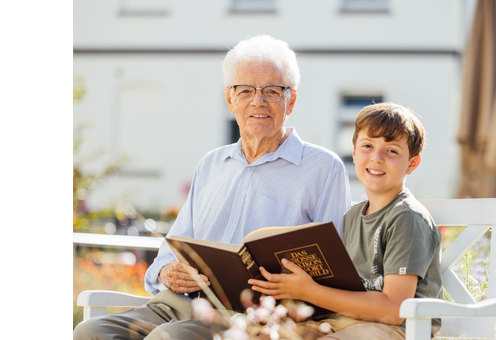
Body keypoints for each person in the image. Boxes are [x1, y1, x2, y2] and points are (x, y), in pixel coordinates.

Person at [74, 35, 351, 340]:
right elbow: (172, 248)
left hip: (250, 315)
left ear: (291, 100)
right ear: (230, 99)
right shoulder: (211, 164)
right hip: (177, 305)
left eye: (272, 91)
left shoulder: (323, 168)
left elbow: (334, 273)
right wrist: (169, 273)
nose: (258, 101)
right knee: (90, 331)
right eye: (245, 90)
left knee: (168, 339)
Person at [250, 102, 443, 340]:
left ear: (412, 163)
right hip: (342, 323)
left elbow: (394, 310)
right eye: (367, 146)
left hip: (398, 330)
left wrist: (310, 292)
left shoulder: (407, 218)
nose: (377, 158)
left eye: (392, 150)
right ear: (353, 152)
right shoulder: (352, 216)